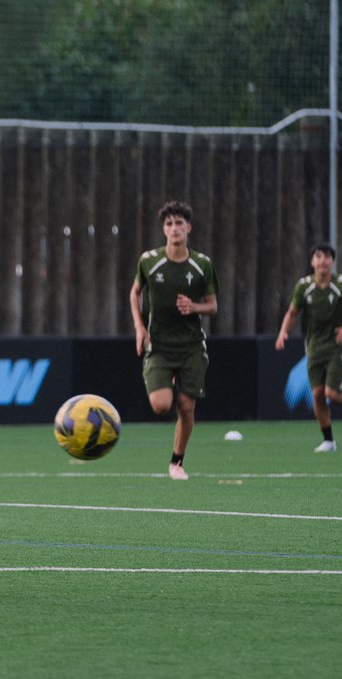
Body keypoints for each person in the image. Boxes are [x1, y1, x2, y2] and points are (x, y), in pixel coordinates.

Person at [129, 200, 219, 481]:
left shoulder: (202, 264)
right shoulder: (149, 261)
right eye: (169, 224)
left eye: (179, 223)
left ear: (188, 228)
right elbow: (134, 294)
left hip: (192, 346)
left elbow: (213, 306)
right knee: (161, 405)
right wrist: (139, 328)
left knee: (187, 406)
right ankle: (162, 378)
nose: (174, 228)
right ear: (163, 230)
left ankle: (177, 462)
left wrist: (195, 307)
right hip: (159, 346)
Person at [275, 243, 342, 452]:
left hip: (338, 344)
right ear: (312, 262)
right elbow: (292, 312)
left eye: (327, 257)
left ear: (332, 262)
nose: (322, 261)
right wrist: (283, 331)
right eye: (318, 257)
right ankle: (329, 441)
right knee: (317, 395)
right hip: (314, 347)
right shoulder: (304, 286)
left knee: (331, 393)